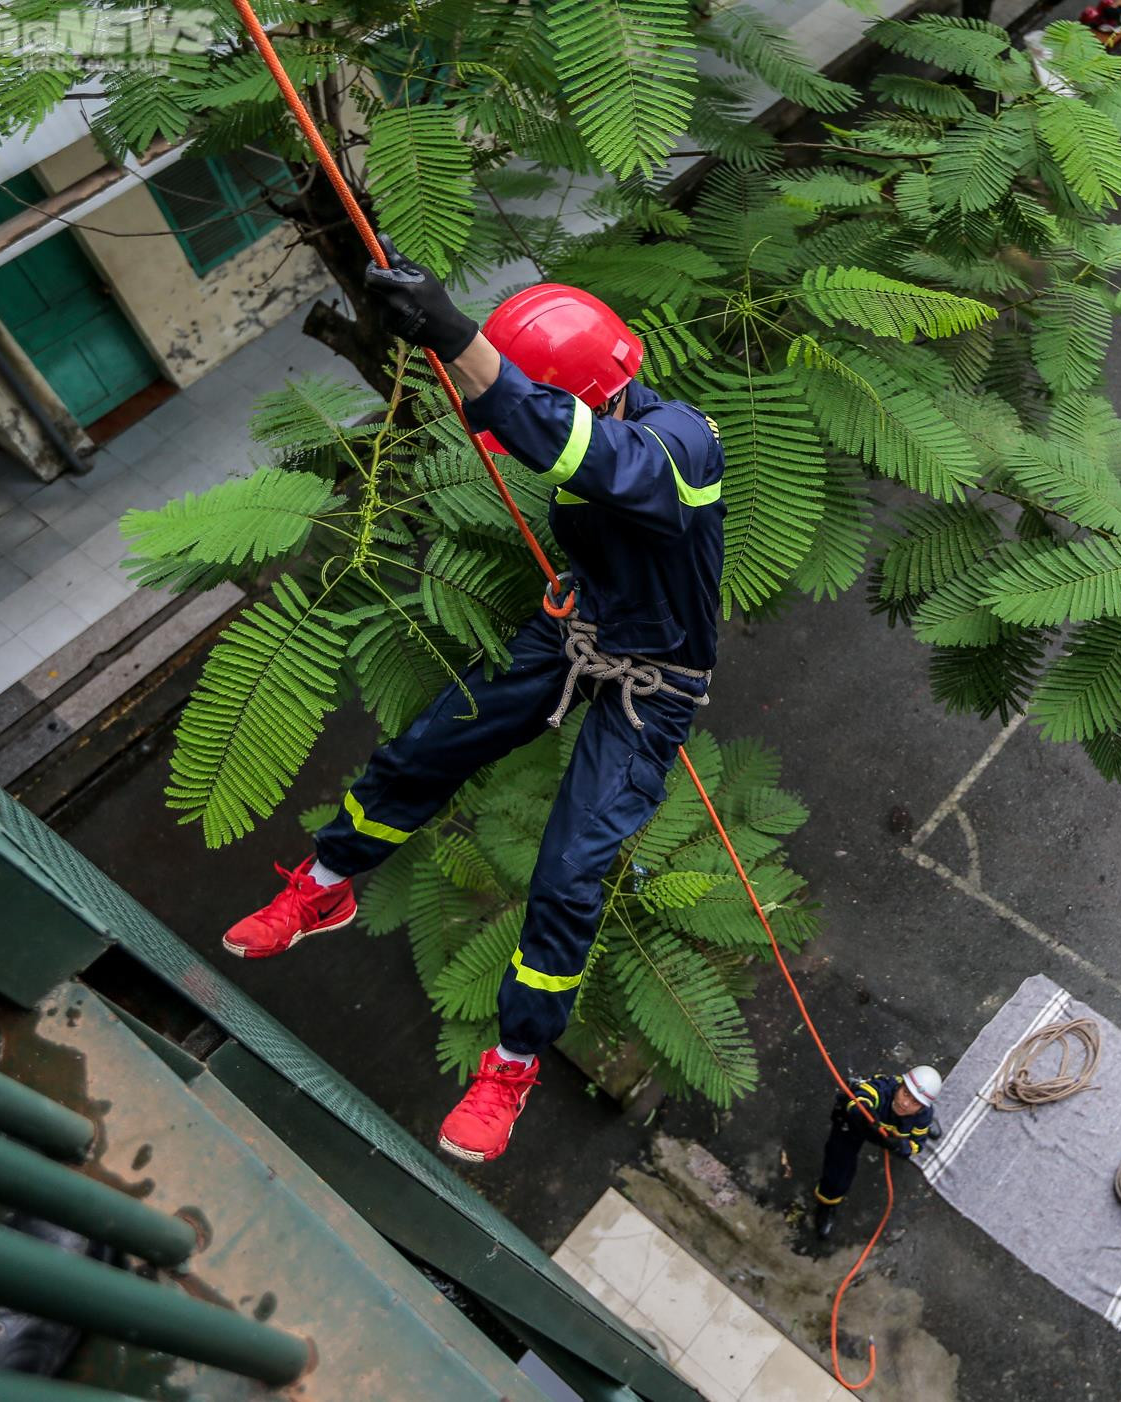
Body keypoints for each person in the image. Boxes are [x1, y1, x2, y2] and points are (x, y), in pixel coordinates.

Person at [220, 245, 726, 1164]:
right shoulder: (597, 422)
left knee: (571, 869)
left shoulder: (683, 444)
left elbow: (584, 453)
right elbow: (583, 478)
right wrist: (585, 585)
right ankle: (324, 888)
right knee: (428, 747)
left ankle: (513, 1059)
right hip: (579, 635)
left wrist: (454, 332)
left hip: (654, 686)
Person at [814, 1066, 943, 1239]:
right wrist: (864, 1114)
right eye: (906, 1093)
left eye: (915, 1102)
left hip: (891, 1135)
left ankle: (923, 1127)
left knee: (920, 1128)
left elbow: (916, 1146)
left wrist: (898, 1146)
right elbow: (861, 1097)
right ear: (900, 1085)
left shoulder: (922, 1115)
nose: (905, 1103)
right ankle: (827, 1202)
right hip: (857, 1125)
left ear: (922, 1107)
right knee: (839, 1165)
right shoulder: (883, 1087)